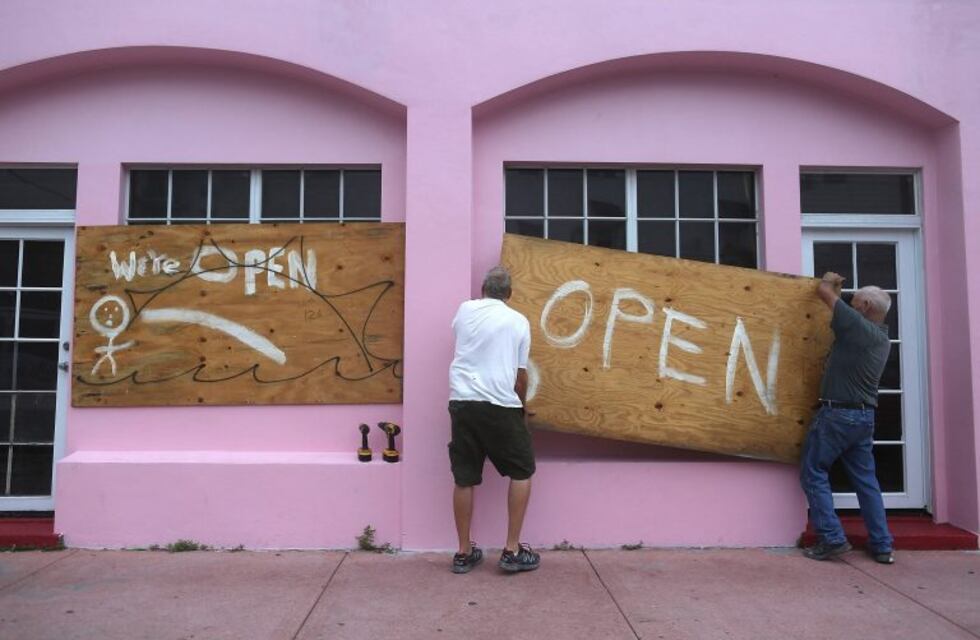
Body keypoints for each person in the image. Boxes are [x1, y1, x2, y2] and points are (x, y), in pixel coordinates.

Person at [447, 265, 540, 574]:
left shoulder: (464, 310)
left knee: (464, 477)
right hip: (500, 404)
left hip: (462, 403)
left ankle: (463, 552)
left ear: (483, 289)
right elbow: (520, 376)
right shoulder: (518, 322)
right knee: (522, 470)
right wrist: (522, 409)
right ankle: (512, 550)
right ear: (509, 295)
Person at [800, 271, 895, 564]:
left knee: (813, 471)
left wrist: (829, 279)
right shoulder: (881, 338)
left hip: (838, 415)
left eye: (854, 301)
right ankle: (881, 545)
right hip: (863, 418)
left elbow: (825, 292)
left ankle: (831, 538)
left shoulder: (857, 326)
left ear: (866, 305)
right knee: (866, 481)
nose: (850, 305)